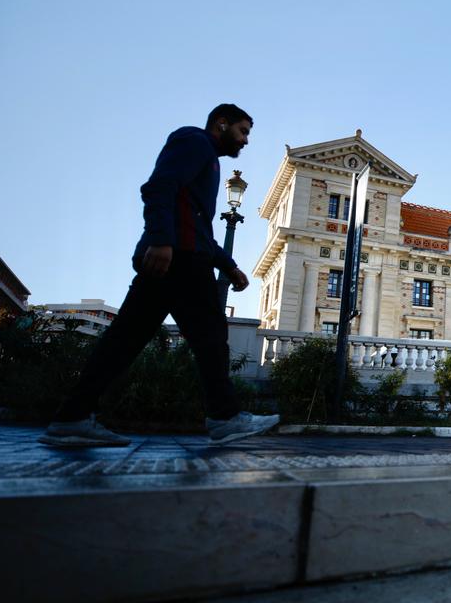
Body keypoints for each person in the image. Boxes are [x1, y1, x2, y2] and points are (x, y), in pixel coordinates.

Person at [40, 104, 280, 446]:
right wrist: (162, 240)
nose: (244, 141)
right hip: (180, 258)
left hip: (178, 256)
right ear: (221, 124)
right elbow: (159, 187)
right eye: (242, 131)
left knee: (123, 341)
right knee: (211, 340)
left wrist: (228, 265)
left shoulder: (206, 158)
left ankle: (72, 417)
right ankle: (225, 417)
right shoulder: (193, 141)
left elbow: (197, 222)